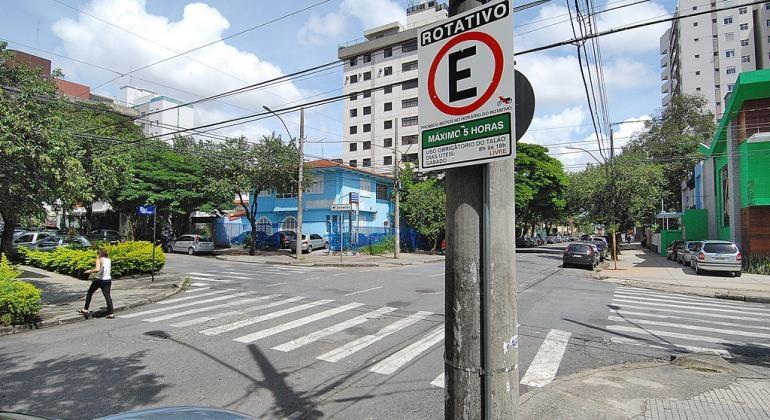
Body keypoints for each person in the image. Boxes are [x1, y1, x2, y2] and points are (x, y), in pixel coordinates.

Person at [78, 249, 114, 319]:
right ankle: (111, 313)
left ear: (99, 254)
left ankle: (85, 309)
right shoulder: (108, 260)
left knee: (90, 293)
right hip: (108, 280)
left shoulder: (99, 259)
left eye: (97, 254)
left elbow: (97, 269)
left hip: (99, 280)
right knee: (107, 296)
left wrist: (89, 271)